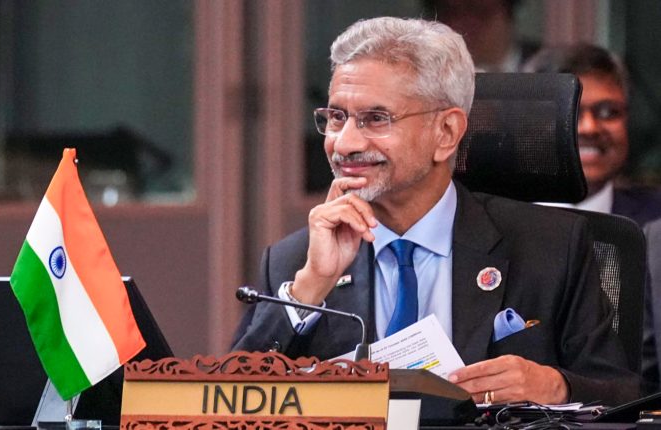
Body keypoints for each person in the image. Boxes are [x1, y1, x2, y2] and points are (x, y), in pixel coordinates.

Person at [232, 17, 638, 406]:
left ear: (446, 133)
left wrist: (556, 386)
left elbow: (622, 394)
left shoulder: (551, 247)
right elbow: (230, 401)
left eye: (376, 119)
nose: (345, 143)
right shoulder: (295, 261)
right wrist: (308, 290)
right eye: (337, 117)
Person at [523, 44, 661, 227]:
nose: (589, 128)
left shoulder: (656, 219)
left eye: (608, 112)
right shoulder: (493, 222)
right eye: (569, 112)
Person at [423, 0, 540, 72]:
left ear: (507, 12)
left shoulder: (544, 68)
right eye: (454, 12)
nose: (468, 23)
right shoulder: (426, 74)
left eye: (480, 11)